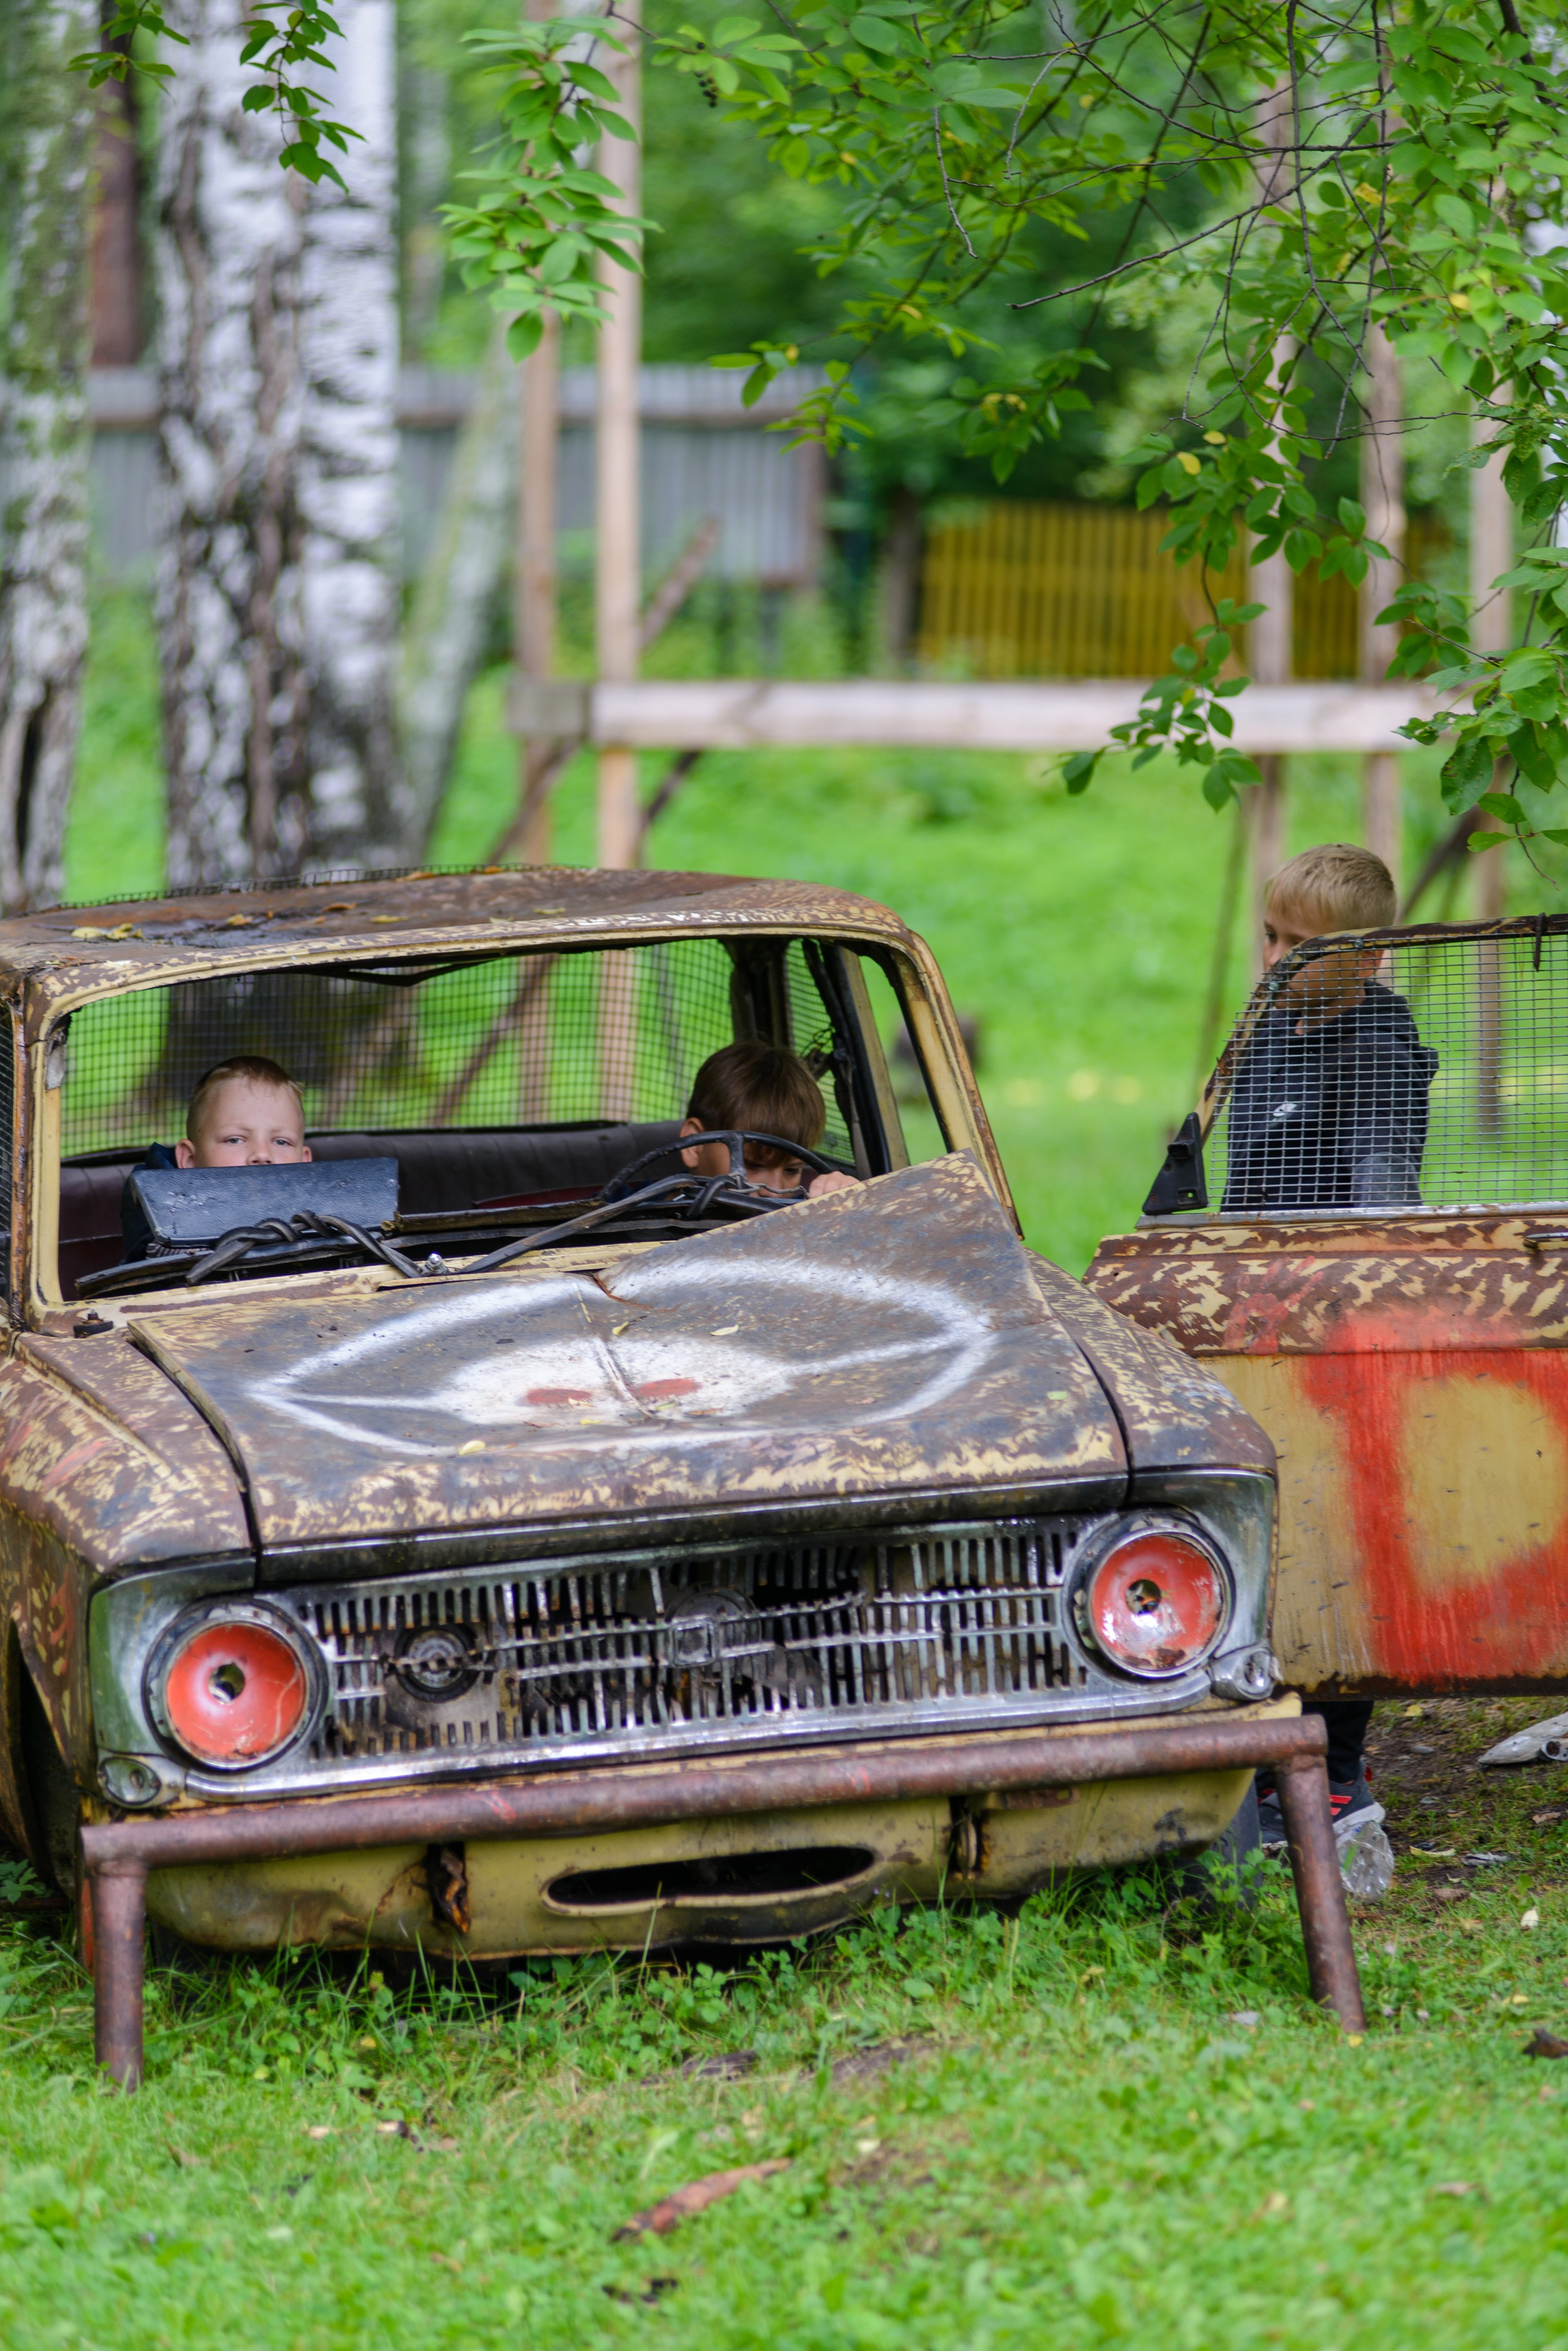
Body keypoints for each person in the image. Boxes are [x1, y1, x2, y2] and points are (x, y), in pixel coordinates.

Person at [1226, 844, 1437, 1853]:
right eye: (1270, 936)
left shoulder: (1377, 1049)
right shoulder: (1269, 1029)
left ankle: (1338, 1779)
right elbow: (1238, 1185)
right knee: (1262, 1534)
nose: (1275, 960)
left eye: (1302, 947)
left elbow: (1381, 1195)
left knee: (1337, 1542)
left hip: (1338, 1326)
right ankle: (1263, 1755)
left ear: (1369, 959)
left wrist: (1335, 1281)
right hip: (1255, 1318)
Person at [121, 1056, 311, 1258]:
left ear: (306, 1162)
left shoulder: (326, 1223)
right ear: (189, 1160)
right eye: (235, 1140)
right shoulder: (161, 1222)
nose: (263, 1154)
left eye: (282, 1142)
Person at [678, 1042, 859, 1198]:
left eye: (792, 1170)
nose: (775, 1191)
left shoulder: (801, 1212)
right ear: (694, 1146)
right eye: (752, 1165)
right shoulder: (650, 1219)